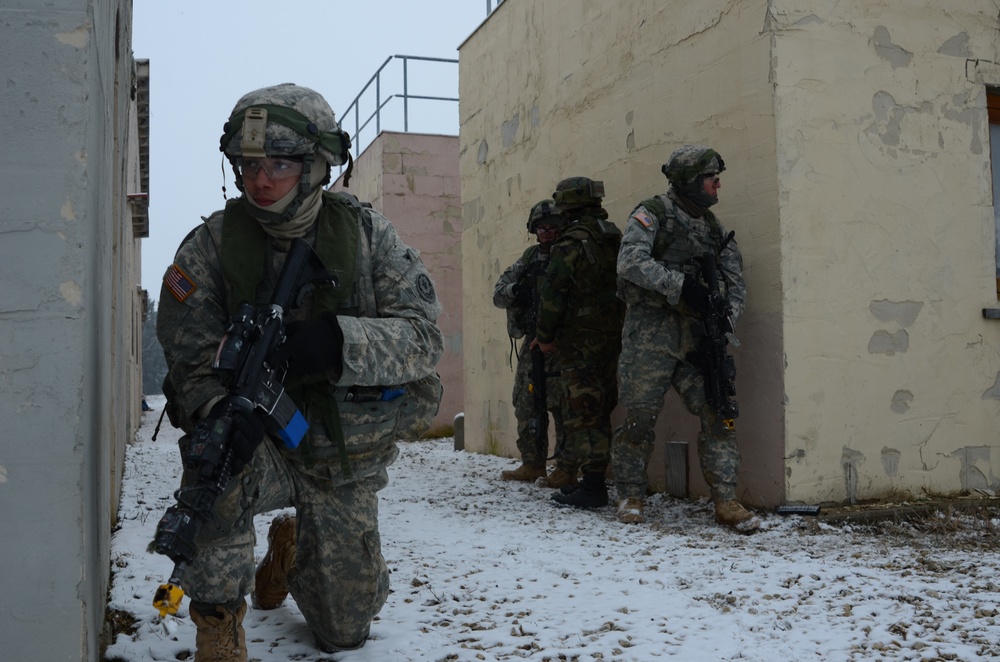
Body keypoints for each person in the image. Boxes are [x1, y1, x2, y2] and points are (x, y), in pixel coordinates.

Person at [155, 83, 444, 660]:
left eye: (281, 164)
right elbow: (188, 356)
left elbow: (424, 339)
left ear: (316, 166)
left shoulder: (366, 237)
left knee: (344, 631)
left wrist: (336, 342)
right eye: (249, 165)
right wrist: (215, 409)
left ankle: (286, 551)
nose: (261, 180)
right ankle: (218, 620)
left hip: (344, 450)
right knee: (214, 468)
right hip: (264, 448)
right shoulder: (210, 248)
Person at [612, 144, 759, 532]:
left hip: (696, 338)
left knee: (718, 413)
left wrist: (726, 316)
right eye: (712, 180)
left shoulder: (713, 228)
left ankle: (725, 499)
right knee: (640, 418)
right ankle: (630, 494)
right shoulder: (652, 214)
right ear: (691, 182)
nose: (718, 186)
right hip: (650, 333)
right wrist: (682, 287)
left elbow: (735, 282)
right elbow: (630, 263)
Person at [532, 177, 624, 508]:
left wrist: (544, 336)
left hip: (579, 341)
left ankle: (594, 486)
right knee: (601, 405)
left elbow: (553, 293)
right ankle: (590, 479)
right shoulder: (612, 235)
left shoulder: (572, 241)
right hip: (610, 336)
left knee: (584, 412)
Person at [493, 200, 570, 486]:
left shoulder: (569, 255)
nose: (547, 234)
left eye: (552, 228)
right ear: (533, 230)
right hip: (533, 342)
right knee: (526, 402)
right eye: (541, 228)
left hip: (563, 343)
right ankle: (533, 463)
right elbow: (498, 294)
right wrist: (517, 291)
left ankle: (566, 468)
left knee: (563, 405)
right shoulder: (529, 258)